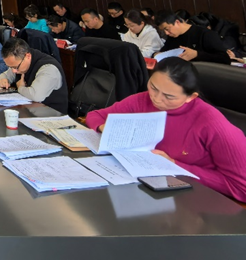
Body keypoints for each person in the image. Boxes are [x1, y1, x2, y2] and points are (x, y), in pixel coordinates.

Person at [86, 58, 246, 203]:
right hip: (146, 188)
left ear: (191, 97)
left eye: (169, 97)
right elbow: (95, 116)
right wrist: (107, 128)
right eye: (153, 87)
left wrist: (174, 165)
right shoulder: (142, 100)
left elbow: (241, 188)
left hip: (194, 201)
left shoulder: (212, 124)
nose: (156, 98)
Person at [0, 38, 68, 113]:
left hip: (51, 115)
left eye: (15, 67)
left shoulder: (48, 68)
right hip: (28, 111)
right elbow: (5, 75)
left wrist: (20, 87)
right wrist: (2, 80)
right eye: (10, 67)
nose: (13, 71)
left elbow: (36, 96)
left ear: (28, 56)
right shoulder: (20, 61)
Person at [155, 10, 230, 64]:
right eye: (163, 31)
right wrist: (156, 55)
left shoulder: (205, 34)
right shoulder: (172, 37)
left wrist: (197, 54)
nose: (166, 33)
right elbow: (163, 52)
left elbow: (225, 59)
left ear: (177, 22)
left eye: (167, 29)